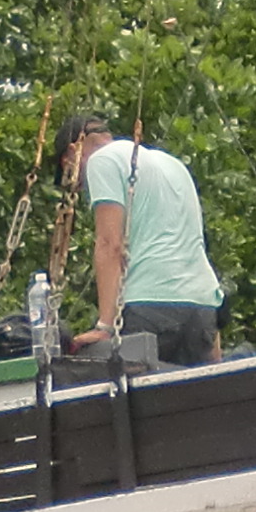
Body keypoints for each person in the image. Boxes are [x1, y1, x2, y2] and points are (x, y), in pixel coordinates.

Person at [64, 110, 225, 367]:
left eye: (71, 174)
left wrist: (105, 325)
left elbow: (110, 244)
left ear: (73, 151)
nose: (80, 187)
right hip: (202, 307)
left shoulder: (100, 160)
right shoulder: (171, 163)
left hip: (151, 308)